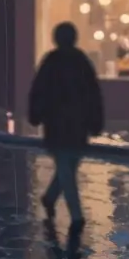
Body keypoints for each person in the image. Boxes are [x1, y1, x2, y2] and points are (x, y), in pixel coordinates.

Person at [28, 22, 103, 227]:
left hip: (57, 125)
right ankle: (76, 215)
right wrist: (95, 121)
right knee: (68, 167)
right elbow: (93, 94)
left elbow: (39, 91)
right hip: (77, 125)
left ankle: (51, 198)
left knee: (66, 166)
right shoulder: (81, 62)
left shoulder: (51, 62)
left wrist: (36, 115)